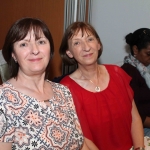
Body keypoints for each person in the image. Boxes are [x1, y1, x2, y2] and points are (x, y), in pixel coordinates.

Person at [0, 18, 89, 150]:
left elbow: (81, 145)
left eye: (41, 42)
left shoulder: (63, 92)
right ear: (13, 54)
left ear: (50, 49)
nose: (35, 50)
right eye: (24, 44)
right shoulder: (4, 100)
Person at [59, 22, 144, 150]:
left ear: (98, 44)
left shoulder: (117, 73)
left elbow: (135, 118)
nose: (86, 47)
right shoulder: (65, 88)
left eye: (90, 39)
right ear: (69, 53)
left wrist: (139, 148)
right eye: (77, 43)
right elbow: (82, 140)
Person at [121, 28, 150, 137]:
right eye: (148, 53)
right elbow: (133, 114)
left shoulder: (145, 69)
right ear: (136, 50)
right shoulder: (128, 72)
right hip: (141, 127)